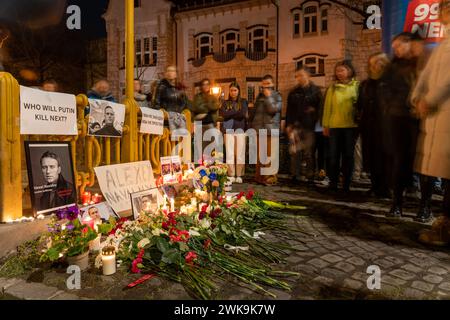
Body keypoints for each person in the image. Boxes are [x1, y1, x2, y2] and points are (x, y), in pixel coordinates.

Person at [411, 0, 450, 243]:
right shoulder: (443, 43)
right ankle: (444, 221)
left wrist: (431, 99)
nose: (443, 13)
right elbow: (427, 74)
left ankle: (446, 226)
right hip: (437, 117)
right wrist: (417, 96)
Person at [379, 32, 420, 217]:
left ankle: (425, 206)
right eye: (394, 47)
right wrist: (391, 106)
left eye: (398, 46)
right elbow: (385, 90)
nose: (395, 50)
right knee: (400, 159)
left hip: (420, 117)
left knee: (419, 160)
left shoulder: (421, 63)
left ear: (409, 44)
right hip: (399, 117)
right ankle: (397, 202)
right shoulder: (392, 67)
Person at [322, 60, 359, 193]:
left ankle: (346, 183)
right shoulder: (332, 88)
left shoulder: (356, 86)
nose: (339, 73)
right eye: (337, 71)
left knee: (348, 156)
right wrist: (325, 125)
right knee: (333, 156)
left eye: (342, 70)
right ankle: (333, 182)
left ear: (349, 70)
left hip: (350, 126)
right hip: (334, 126)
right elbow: (327, 108)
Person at [357, 52, 390, 198]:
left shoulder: (390, 82)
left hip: (386, 126)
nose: (376, 65)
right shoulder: (365, 84)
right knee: (372, 157)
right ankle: (375, 185)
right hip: (369, 126)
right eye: (373, 63)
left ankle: (386, 188)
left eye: (379, 62)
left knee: (385, 158)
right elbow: (360, 104)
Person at [286, 66, 322, 184]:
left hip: (309, 126)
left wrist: (314, 115)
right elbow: (289, 110)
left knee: (309, 153)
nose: (299, 78)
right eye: (297, 76)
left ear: (308, 75)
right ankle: (294, 175)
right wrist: (288, 124)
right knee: (294, 152)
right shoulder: (293, 92)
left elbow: (320, 108)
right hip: (296, 126)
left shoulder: (315, 91)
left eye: (301, 75)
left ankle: (310, 176)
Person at [249, 75, 282, 186]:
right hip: (259, 129)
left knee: (270, 155)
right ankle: (260, 176)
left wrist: (268, 98)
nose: (265, 86)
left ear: (272, 84)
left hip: (271, 129)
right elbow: (254, 112)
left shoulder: (277, 96)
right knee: (260, 155)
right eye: (263, 84)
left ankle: (270, 178)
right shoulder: (259, 97)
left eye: (268, 83)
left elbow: (273, 110)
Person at [220, 81, 248, 184]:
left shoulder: (243, 101)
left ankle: (239, 175)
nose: (233, 92)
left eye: (235, 90)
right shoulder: (225, 103)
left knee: (240, 153)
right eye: (231, 90)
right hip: (229, 130)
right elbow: (224, 114)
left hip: (240, 129)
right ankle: (231, 174)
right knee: (230, 153)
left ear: (238, 91)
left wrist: (230, 114)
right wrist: (235, 113)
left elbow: (242, 113)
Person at [191, 78, 221, 161]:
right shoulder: (197, 97)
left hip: (211, 124)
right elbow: (197, 107)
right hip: (199, 124)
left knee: (214, 145)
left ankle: (213, 165)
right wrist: (209, 107)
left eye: (207, 84)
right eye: (204, 84)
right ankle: (201, 166)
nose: (205, 86)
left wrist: (205, 107)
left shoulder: (212, 97)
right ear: (201, 86)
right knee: (200, 147)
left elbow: (216, 107)